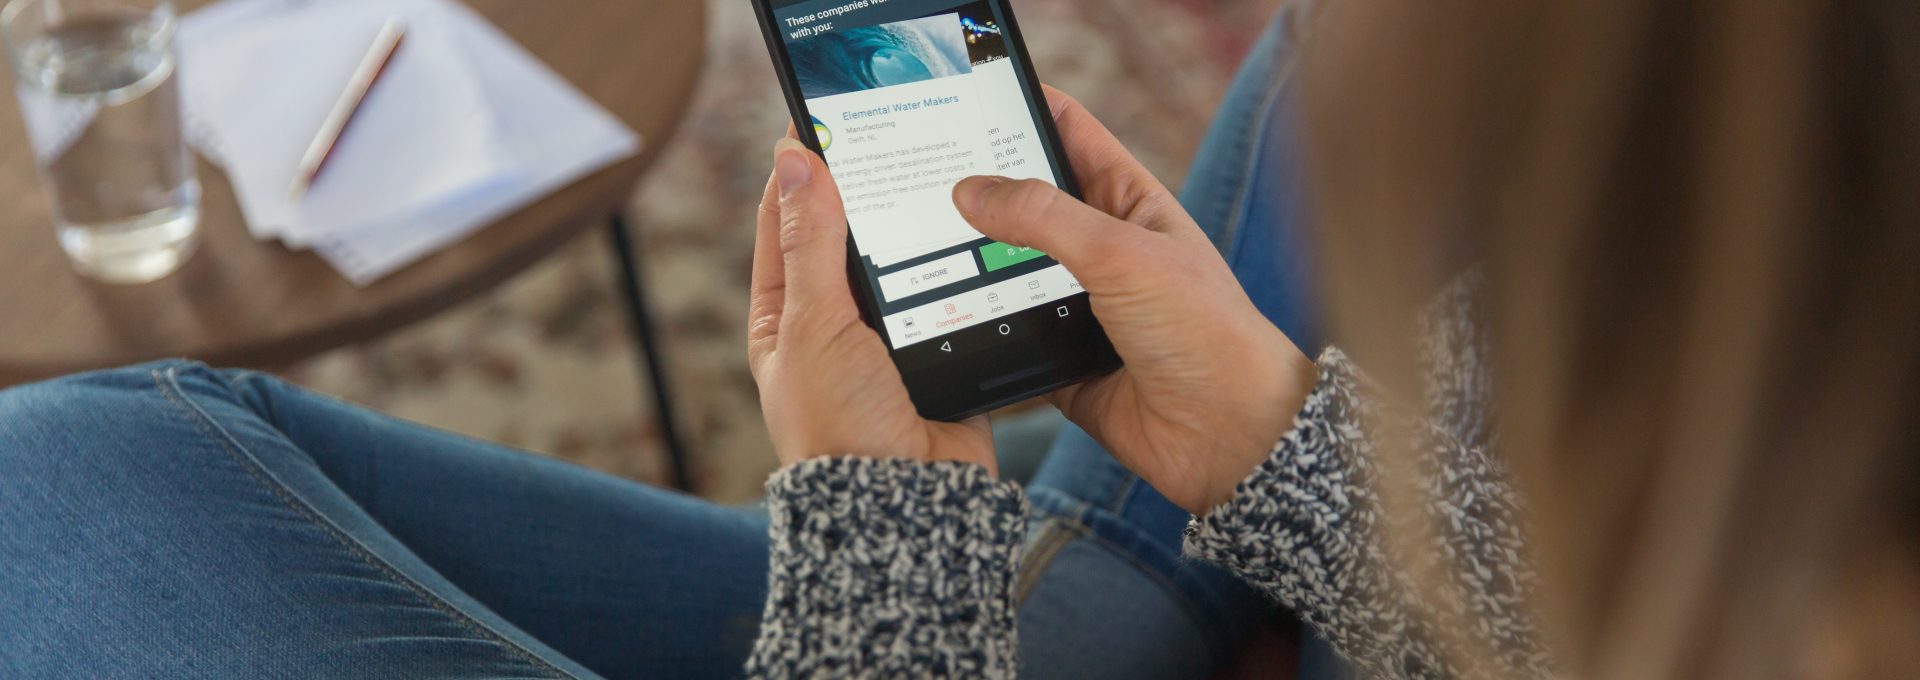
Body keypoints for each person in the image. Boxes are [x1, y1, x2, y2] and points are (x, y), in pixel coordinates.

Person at [6, 1, 1918, 679]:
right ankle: (1101, 559)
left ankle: (1064, 567)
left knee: (71, 484)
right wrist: (1267, 445)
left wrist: (894, 555)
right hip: (1424, 570)